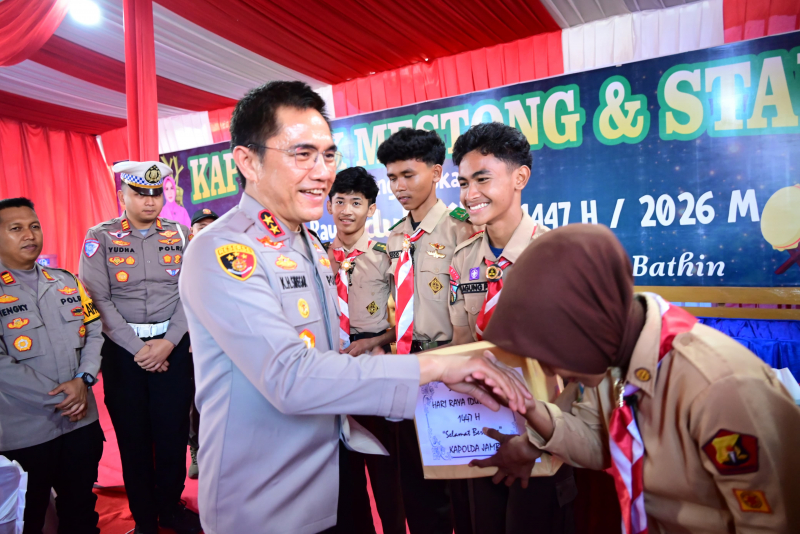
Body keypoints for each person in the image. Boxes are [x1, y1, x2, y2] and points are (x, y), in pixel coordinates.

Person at [178, 81, 531, 534]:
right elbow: (291, 376)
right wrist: (437, 368)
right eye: (302, 154)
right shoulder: (224, 250)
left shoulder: (308, 245)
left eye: (328, 155)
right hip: (268, 500)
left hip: (333, 475)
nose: (322, 172)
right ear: (248, 161)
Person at [474, 224, 800, 533]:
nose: (548, 371)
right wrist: (533, 411)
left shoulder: (719, 388)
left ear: (589, 321)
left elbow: (769, 523)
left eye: (550, 352)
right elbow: (601, 443)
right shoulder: (611, 354)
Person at [448, 123, 576, 534]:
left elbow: (584, 373)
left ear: (520, 177)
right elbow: (461, 348)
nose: (469, 194)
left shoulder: (558, 255)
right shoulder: (463, 259)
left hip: (544, 437)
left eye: (482, 179)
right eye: (463, 183)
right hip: (483, 433)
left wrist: (537, 441)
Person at [79, 162, 200, 534]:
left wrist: (168, 342)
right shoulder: (100, 237)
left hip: (172, 348)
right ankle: (145, 518)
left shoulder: (180, 234)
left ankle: (170, 508)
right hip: (122, 353)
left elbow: (191, 292)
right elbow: (98, 301)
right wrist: (139, 349)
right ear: (122, 196)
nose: (150, 201)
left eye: (155, 193)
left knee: (173, 434)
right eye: (140, 193)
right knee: (133, 439)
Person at [377, 128, 475, 534]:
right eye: (392, 177)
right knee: (416, 487)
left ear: (436, 173)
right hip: (406, 371)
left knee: (460, 489)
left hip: (449, 370)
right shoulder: (394, 236)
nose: (399, 187)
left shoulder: (463, 230)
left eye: (408, 175)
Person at [0, 197, 104, 534]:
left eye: (34, 226)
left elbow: (94, 329)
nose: (29, 235)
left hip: (80, 423)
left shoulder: (67, 281)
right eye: (16, 228)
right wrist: (63, 396)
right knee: (29, 517)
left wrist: (83, 379)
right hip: (26, 431)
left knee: (81, 510)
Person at [326, 167, 404, 534]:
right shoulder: (316, 257)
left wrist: (372, 343)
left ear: (371, 209)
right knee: (344, 470)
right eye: (340, 201)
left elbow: (408, 320)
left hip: (374, 369)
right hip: (329, 372)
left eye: (356, 202)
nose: (346, 210)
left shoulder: (385, 254)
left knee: (386, 466)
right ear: (329, 205)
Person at [186, 207, 219, 480]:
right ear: (191, 232)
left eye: (212, 226)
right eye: (201, 227)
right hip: (193, 345)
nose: (207, 231)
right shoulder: (181, 262)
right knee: (196, 400)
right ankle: (196, 449)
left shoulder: (229, 259)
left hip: (224, 344)